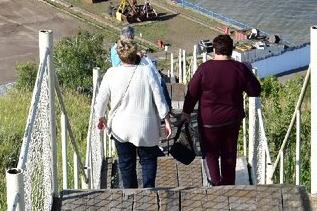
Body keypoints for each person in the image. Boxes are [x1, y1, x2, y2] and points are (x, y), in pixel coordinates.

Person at [181, 33, 261, 186]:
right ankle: (229, 183)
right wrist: (249, 72)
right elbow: (255, 91)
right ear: (231, 50)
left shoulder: (204, 69)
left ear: (214, 50)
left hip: (208, 121)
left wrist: (186, 112)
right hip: (232, 119)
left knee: (210, 153)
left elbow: (192, 92)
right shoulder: (240, 69)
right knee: (229, 153)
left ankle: (216, 183)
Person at [94, 39, 171, 188]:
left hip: (120, 128)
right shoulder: (147, 71)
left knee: (126, 163)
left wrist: (101, 116)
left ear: (119, 55)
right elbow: (159, 97)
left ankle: (131, 194)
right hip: (145, 127)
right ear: (135, 53)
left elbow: (101, 99)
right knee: (148, 160)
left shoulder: (111, 73)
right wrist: (166, 118)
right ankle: (148, 191)